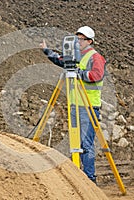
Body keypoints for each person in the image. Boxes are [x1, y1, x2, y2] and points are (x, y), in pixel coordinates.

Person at [40, 26, 106, 184]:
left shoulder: (95, 57)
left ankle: (89, 179)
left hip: (88, 107)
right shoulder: (75, 56)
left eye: (81, 39)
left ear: (89, 41)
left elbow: (96, 75)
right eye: (76, 38)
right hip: (75, 105)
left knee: (86, 144)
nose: (77, 41)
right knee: (76, 142)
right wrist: (47, 51)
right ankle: (78, 177)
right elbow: (61, 60)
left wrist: (79, 74)